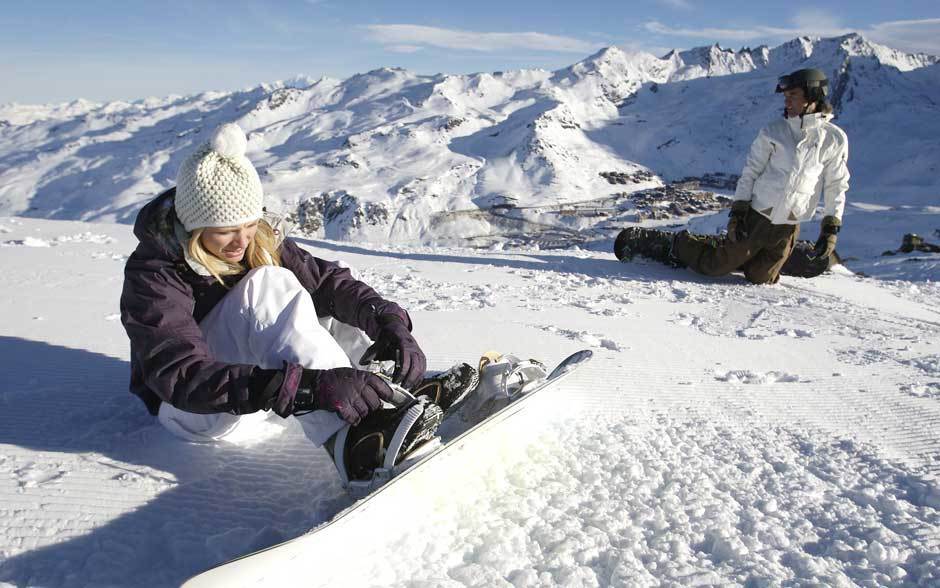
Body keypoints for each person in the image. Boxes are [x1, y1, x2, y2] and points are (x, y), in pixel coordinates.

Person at [120, 123, 478, 489]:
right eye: (225, 230)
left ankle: (389, 395)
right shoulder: (155, 274)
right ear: (193, 228)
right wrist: (305, 388)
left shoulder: (257, 241)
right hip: (195, 411)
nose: (240, 241)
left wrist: (388, 322)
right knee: (268, 285)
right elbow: (180, 375)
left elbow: (327, 284)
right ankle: (353, 442)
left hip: (262, 395)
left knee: (318, 301)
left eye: (249, 224)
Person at [615, 68, 850, 284]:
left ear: (813, 96)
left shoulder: (834, 139)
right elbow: (751, 171)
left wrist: (830, 229)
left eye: (793, 95)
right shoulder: (774, 131)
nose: (787, 101)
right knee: (714, 266)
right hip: (758, 215)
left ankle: (757, 253)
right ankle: (675, 245)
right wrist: (738, 212)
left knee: (760, 278)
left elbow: (836, 185)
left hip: (789, 224)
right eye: (785, 96)